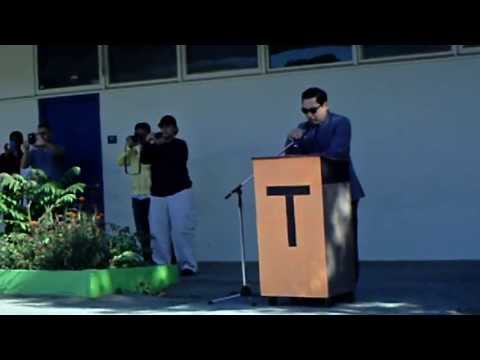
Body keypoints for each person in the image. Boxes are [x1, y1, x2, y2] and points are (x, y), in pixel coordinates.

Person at [286, 87, 365, 286]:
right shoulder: (303, 128)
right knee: (317, 242)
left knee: (344, 242)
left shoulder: (340, 123)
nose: (310, 115)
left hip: (341, 191)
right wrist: (292, 140)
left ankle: (347, 284)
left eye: (314, 110)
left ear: (325, 105)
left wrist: (305, 156)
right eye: (305, 111)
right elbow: (290, 158)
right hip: (312, 194)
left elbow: (336, 153)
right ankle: (319, 283)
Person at [141, 115, 198, 276]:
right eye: (162, 127)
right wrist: (147, 143)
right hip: (158, 193)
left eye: (168, 126)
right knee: (158, 231)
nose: (165, 130)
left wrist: (159, 144)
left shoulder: (180, 145)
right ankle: (161, 263)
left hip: (180, 191)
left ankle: (187, 265)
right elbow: (144, 160)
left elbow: (177, 160)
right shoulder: (153, 146)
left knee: (181, 230)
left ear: (175, 129)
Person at [117, 122, 153, 263]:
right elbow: (120, 162)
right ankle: (146, 256)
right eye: (138, 134)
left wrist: (142, 147)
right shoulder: (133, 151)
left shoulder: (150, 148)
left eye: (142, 134)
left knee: (154, 228)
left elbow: (150, 164)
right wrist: (130, 148)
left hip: (151, 194)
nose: (140, 137)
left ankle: (158, 256)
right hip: (136, 195)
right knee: (140, 228)